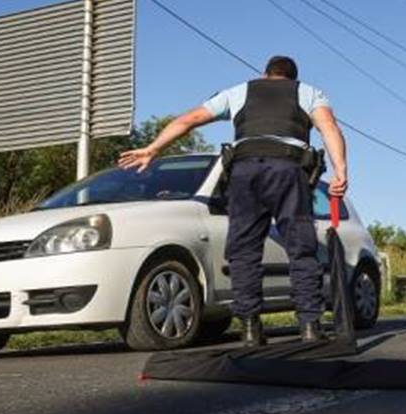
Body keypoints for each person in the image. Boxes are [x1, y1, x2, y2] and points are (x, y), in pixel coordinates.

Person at [119, 56, 348, 347]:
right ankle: (310, 327)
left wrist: (152, 149)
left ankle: (251, 329)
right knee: (301, 249)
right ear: (292, 78)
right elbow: (329, 127)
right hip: (287, 170)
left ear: (265, 75)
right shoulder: (309, 92)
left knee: (243, 251)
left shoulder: (239, 91)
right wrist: (341, 170)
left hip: (245, 170)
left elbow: (189, 119)